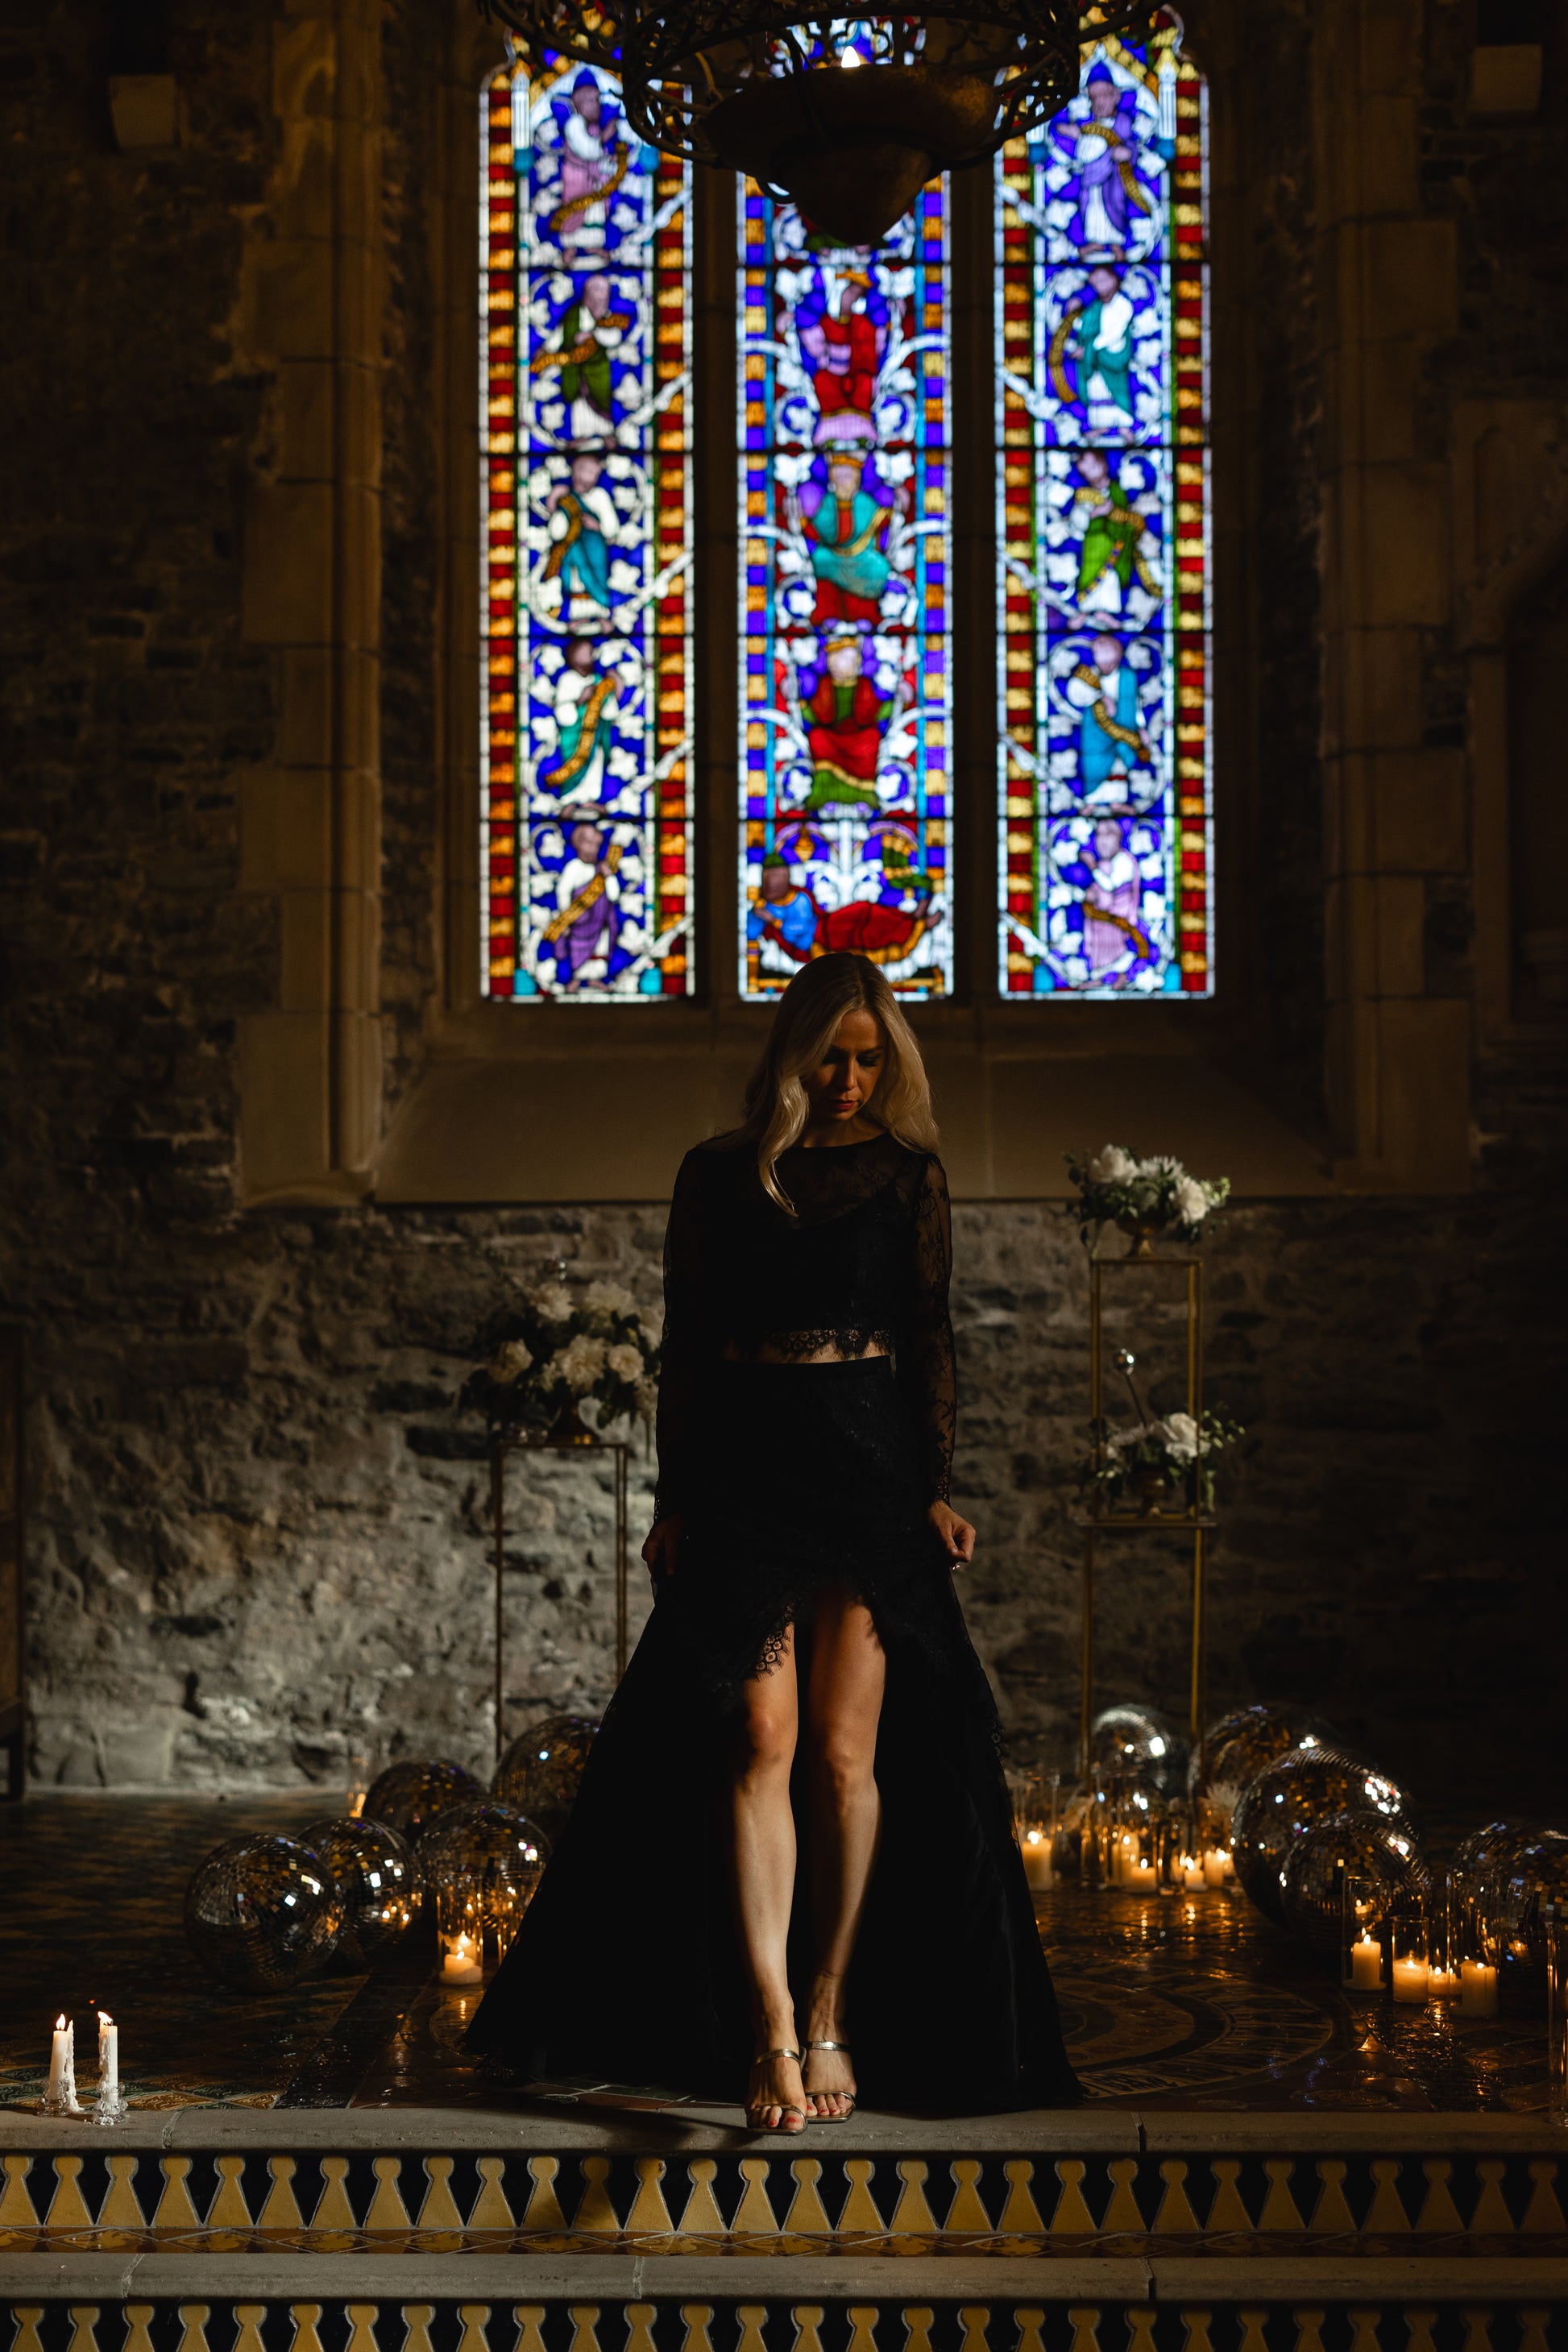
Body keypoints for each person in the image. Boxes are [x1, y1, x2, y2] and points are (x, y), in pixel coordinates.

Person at [465, 954, 1080, 2128]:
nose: (847, 1078)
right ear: (789, 1054)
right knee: (757, 1736)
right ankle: (765, 2029)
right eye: (829, 1056)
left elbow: (928, 1339)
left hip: (870, 1474)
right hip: (748, 1470)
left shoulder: (907, 1178)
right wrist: (674, 1501)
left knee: (846, 1763)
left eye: (868, 1059)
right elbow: (684, 1348)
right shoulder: (715, 1175)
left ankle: (828, 2007)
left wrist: (935, 1487)